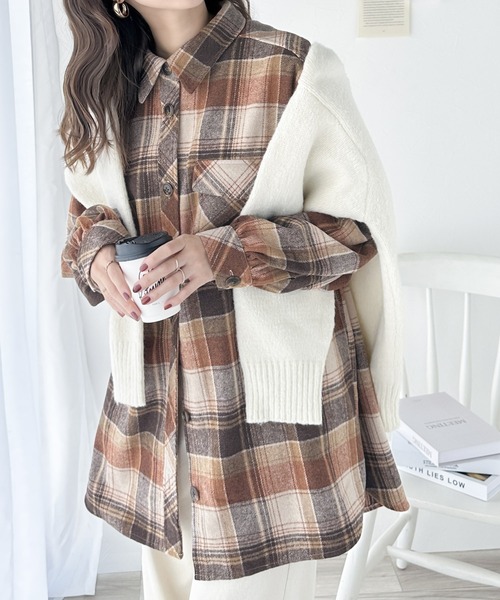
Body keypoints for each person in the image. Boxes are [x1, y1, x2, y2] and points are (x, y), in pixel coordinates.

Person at [60, 1, 409, 598]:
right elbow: (86, 209)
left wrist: (223, 252)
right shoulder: (106, 89)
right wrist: (97, 254)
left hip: (266, 420)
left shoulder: (294, 68)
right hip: (157, 410)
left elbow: (356, 233)